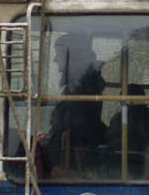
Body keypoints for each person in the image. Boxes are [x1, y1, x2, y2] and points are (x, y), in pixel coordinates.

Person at [43, 32, 107, 176]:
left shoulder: (82, 89)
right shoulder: (79, 85)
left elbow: (74, 130)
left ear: (71, 58)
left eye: (58, 54)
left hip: (70, 161)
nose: (54, 59)